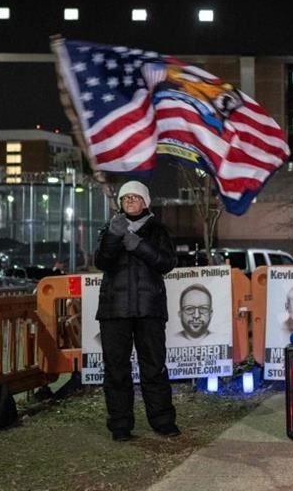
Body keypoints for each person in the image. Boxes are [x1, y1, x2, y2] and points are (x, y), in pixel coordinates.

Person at [94, 180, 180, 442]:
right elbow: (101, 262)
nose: (131, 201)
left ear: (146, 202)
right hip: (114, 311)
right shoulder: (110, 228)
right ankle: (120, 426)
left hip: (149, 310)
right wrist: (112, 238)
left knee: (153, 368)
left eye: (136, 197)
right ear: (120, 203)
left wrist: (138, 245)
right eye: (126, 198)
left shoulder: (158, 230)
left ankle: (163, 422)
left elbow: (167, 263)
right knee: (116, 370)